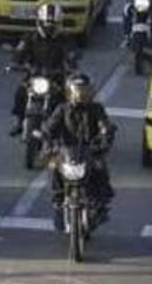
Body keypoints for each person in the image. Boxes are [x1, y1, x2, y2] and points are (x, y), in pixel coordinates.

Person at [39, 73, 117, 232]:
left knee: (100, 168)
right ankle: (58, 204)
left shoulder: (97, 109)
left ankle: (100, 203)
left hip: (90, 150)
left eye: (85, 90)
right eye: (78, 90)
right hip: (66, 152)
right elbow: (49, 127)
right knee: (53, 167)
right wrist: (47, 141)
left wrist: (105, 136)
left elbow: (105, 126)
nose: (81, 94)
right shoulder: (62, 109)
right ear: (70, 91)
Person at [8, 3, 78, 136]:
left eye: (52, 26)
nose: (49, 29)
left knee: (67, 99)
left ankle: (66, 128)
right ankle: (19, 121)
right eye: (46, 26)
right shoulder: (29, 37)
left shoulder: (65, 39)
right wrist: (16, 62)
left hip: (56, 76)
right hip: (34, 75)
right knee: (20, 92)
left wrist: (71, 62)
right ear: (39, 23)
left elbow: (71, 53)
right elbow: (19, 52)